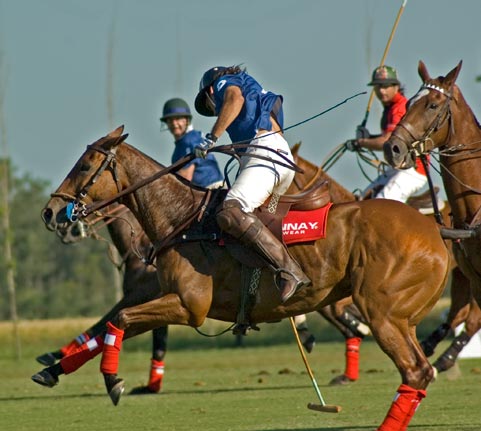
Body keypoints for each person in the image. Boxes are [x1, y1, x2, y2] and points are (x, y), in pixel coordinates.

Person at [194, 65, 311, 303]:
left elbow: (234, 98)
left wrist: (211, 138)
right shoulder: (250, 87)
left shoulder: (224, 83)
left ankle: (289, 270)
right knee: (258, 221)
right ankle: (256, 292)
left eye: (210, 106)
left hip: (265, 156)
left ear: (210, 91)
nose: (215, 111)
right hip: (279, 163)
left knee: (231, 211)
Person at [346, 65, 428, 202]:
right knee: (362, 201)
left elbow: (386, 141)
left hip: (413, 169)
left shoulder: (399, 108)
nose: (381, 91)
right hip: (396, 168)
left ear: (396, 87)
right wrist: (369, 138)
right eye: (378, 86)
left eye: (385, 86)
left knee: (380, 204)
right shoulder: (390, 108)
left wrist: (361, 142)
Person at [160, 97, 224, 189]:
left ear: (186, 120)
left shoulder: (189, 141)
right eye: (170, 120)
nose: (174, 124)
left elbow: (185, 178)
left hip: (210, 189)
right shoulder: (188, 139)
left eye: (178, 119)